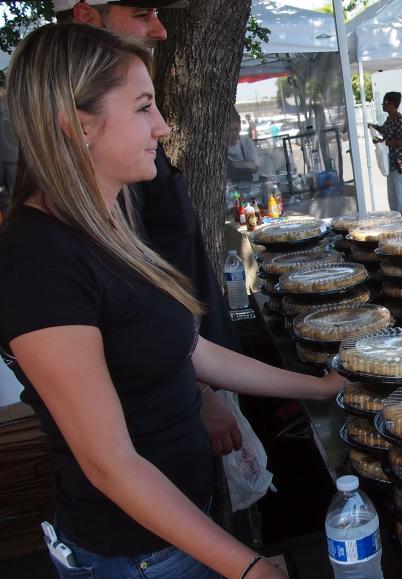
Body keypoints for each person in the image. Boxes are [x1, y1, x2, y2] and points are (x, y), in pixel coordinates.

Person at [0, 24, 349, 579]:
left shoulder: (107, 221)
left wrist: (319, 387)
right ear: (75, 125)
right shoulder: (38, 262)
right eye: (142, 108)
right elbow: (109, 463)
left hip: (184, 520)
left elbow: (188, 349)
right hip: (140, 554)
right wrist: (246, 569)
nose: (162, 126)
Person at [58, 0, 247, 461]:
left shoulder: (122, 164)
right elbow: (112, 463)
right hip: (170, 418)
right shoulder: (56, 241)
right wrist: (198, 393)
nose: (161, 30)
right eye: (143, 14)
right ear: (86, 17)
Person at [368, 91, 402, 218]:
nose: (383, 104)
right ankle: (400, 222)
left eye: (385, 102)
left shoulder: (400, 120)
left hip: (400, 162)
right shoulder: (390, 118)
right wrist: (374, 127)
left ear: (392, 104)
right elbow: (384, 130)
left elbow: (401, 142)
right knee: (394, 195)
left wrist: (383, 142)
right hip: (392, 162)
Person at [227, 108, 260, 183]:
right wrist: (246, 164)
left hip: (247, 186)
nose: (234, 133)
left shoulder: (246, 142)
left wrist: (232, 165)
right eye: (230, 130)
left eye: (236, 129)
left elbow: (255, 167)